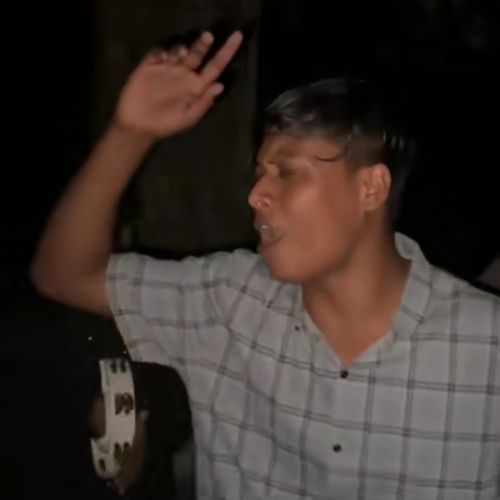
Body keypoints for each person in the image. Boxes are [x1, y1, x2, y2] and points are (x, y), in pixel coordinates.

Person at [31, 30, 500, 499]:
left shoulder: (486, 344)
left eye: (287, 173)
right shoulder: (230, 299)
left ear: (370, 188)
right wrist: (130, 133)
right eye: (259, 174)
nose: (256, 195)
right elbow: (62, 275)